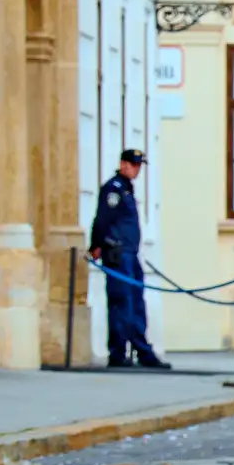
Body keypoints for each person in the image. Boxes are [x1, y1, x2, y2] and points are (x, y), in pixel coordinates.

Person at [87, 148, 167, 369]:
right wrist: (96, 246)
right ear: (123, 164)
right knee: (124, 304)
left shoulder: (127, 190)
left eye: (139, 166)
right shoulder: (114, 189)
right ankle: (131, 352)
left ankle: (130, 351)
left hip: (130, 254)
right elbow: (102, 219)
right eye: (133, 165)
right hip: (119, 254)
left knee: (134, 303)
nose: (136, 169)